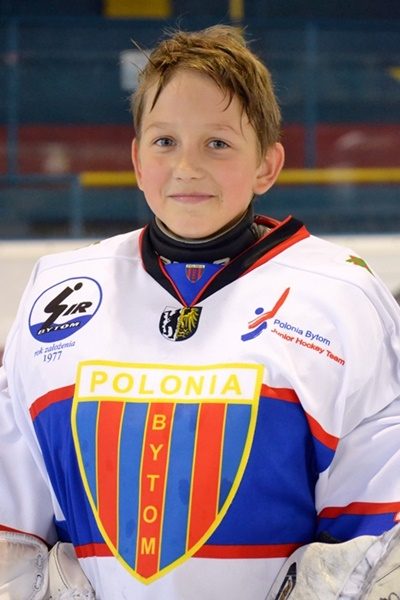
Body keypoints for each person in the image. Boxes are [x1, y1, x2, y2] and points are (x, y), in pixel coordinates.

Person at [0, 24, 400, 600]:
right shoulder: (58, 293)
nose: (187, 166)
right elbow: (14, 527)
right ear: (137, 160)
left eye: (218, 143)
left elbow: (376, 542)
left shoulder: (341, 297)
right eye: (165, 141)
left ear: (267, 164)